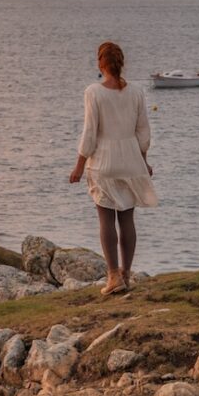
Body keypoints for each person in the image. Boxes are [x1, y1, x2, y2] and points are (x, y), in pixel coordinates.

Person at [69, 41, 158, 295]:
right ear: (121, 63)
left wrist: (78, 167)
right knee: (127, 218)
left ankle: (113, 276)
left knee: (106, 218)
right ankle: (127, 275)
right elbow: (143, 131)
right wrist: (144, 160)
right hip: (130, 159)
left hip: (104, 162)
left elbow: (89, 134)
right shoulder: (137, 92)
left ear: (100, 64)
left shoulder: (93, 92)